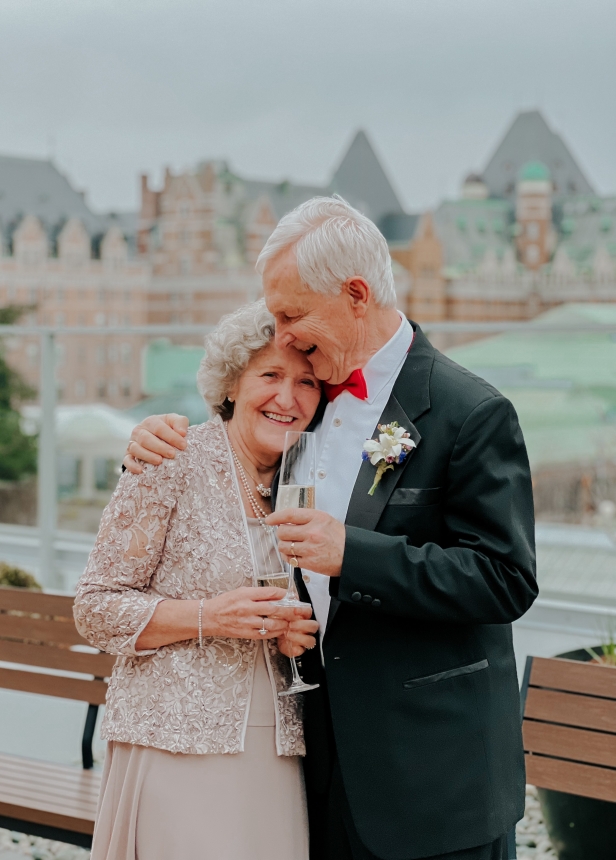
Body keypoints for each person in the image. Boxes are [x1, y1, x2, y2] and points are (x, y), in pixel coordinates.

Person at [125, 196, 538, 860]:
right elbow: (228, 449)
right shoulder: (302, 404)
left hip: (434, 786)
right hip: (312, 775)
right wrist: (150, 440)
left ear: (355, 295)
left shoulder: (472, 413)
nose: (280, 335)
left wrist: (354, 554)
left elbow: (505, 578)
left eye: (291, 315)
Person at [74, 300, 321, 860]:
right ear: (231, 384)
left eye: (306, 382)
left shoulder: (306, 479)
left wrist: (296, 635)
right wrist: (211, 617)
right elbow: (95, 606)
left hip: (280, 750)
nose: (288, 398)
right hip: (173, 745)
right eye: (271, 375)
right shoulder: (170, 458)